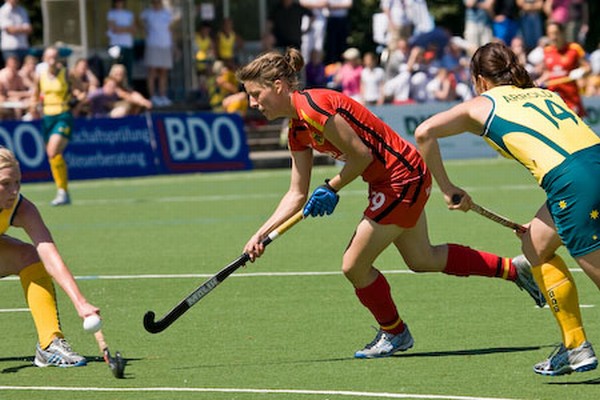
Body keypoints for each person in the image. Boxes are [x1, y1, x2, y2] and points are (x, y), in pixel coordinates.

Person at [236, 47, 545, 359]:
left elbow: (361, 156)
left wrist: (331, 187)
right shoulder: (297, 131)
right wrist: (260, 235)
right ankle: (515, 270)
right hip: (391, 180)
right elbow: (296, 193)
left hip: (402, 177)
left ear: (278, 86)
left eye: (256, 94)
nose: (253, 103)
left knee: (353, 265)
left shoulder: (313, 108)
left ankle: (395, 332)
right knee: (422, 258)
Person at [414, 41, 599, 376]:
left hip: (573, 183)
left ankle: (576, 347)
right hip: (590, 166)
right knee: (534, 246)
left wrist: (448, 188)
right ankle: (574, 345)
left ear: (479, 79)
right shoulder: (544, 93)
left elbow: (424, 132)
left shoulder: (481, 105)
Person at [0, 147, 100, 367]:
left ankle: (49, 343)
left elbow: (49, 254)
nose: (14, 191)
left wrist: (81, 303)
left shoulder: (22, 209)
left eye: (17, 182)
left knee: (30, 256)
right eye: (5, 183)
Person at [30, 46, 74, 206]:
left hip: (63, 115)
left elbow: (81, 90)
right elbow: (35, 95)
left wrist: (79, 97)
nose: (52, 60)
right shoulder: (40, 76)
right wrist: (33, 107)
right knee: (53, 155)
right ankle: (63, 191)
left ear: (59, 59)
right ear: (44, 58)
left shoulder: (67, 73)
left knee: (53, 150)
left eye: (55, 57)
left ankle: (62, 192)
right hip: (47, 117)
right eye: (49, 57)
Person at [537, 20, 589, 117]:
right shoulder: (547, 51)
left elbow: (588, 68)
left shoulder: (574, 48)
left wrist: (581, 71)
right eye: (550, 34)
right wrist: (538, 81)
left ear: (562, 33)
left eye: (556, 33)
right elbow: (548, 72)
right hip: (554, 98)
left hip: (571, 97)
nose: (553, 37)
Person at [140, 0, 174, 107]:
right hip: (153, 45)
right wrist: (145, 31)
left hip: (165, 45)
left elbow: (171, 28)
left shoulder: (167, 13)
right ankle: (152, 96)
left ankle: (163, 95)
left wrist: (173, 45)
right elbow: (138, 21)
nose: (157, 3)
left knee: (163, 72)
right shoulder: (147, 13)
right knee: (152, 71)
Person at [107, 0, 136, 85]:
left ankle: (127, 87)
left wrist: (121, 28)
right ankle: (115, 87)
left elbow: (133, 30)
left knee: (127, 70)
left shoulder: (129, 14)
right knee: (115, 70)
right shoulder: (111, 13)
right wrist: (128, 29)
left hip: (128, 45)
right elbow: (114, 29)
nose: (119, 3)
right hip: (115, 46)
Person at [0, 0, 31, 64]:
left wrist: (15, 29)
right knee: (11, 69)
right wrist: (23, 29)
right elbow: (10, 30)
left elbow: (29, 29)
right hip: (10, 48)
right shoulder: (3, 11)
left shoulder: (22, 10)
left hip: (23, 47)